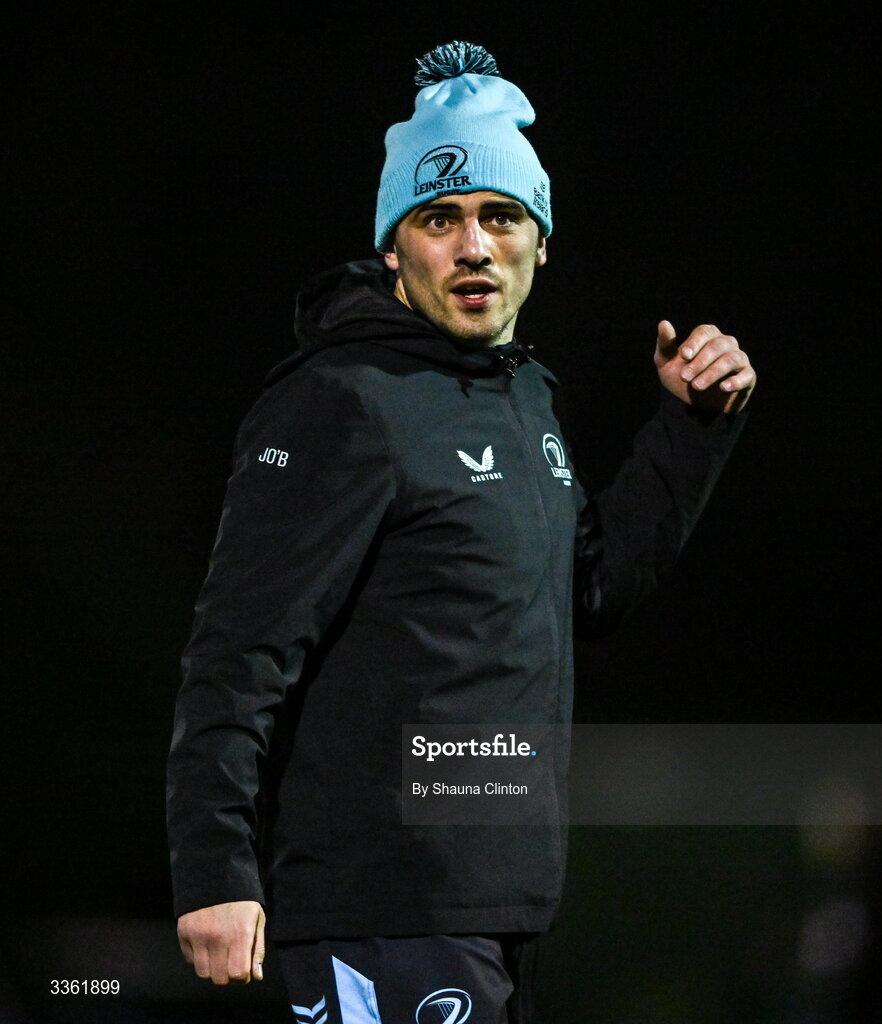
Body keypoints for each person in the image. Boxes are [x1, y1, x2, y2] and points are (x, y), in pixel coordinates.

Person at [166, 41, 756, 1023]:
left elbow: (587, 592)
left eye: (499, 216)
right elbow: (238, 648)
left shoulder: (524, 396)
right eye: (439, 219)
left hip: (500, 902)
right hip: (379, 906)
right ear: (395, 246)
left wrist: (692, 433)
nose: (473, 244)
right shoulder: (337, 400)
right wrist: (213, 868)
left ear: (540, 242)